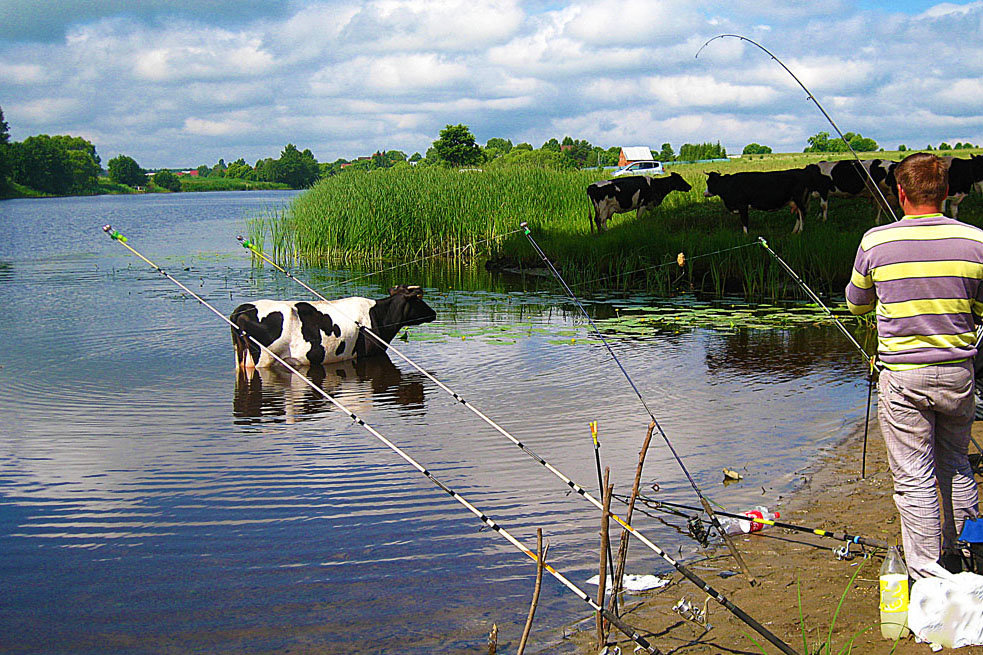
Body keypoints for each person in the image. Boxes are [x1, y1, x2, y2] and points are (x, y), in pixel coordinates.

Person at [845, 152, 982, 579]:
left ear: (900, 192)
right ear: (945, 192)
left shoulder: (875, 242)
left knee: (914, 477)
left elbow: (856, 304)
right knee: (957, 464)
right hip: (959, 373)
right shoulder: (977, 241)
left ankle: (927, 574)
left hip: (903, 379)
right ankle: (970, 554)